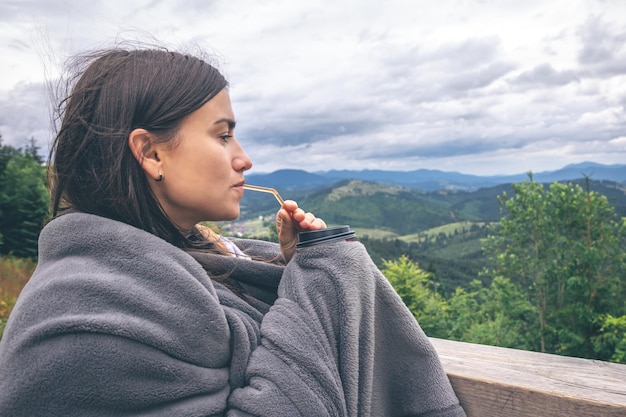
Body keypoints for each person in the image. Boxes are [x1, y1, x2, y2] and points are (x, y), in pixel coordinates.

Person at [0, 46, 466, 416]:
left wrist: (292, 268)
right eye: (223, 135)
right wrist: (323, 272)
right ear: (151, 153)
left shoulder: (179, 271)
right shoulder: (89, 315)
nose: (243, 159)